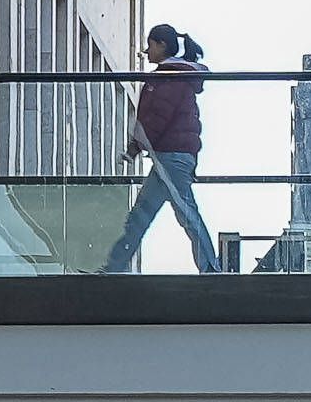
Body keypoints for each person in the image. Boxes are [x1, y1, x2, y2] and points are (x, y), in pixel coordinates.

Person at [99, 24, 230, 274]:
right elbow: (157, 119)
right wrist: (136, 147)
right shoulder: (174, 77)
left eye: (150, 44)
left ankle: (211, 269)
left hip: (171, 157)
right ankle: (114, 267)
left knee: (182, 213)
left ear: (162, 45)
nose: (146, 50)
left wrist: (135, 147)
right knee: (144, 215)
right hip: (171, 157)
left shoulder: (168, 77)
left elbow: (156, 117)